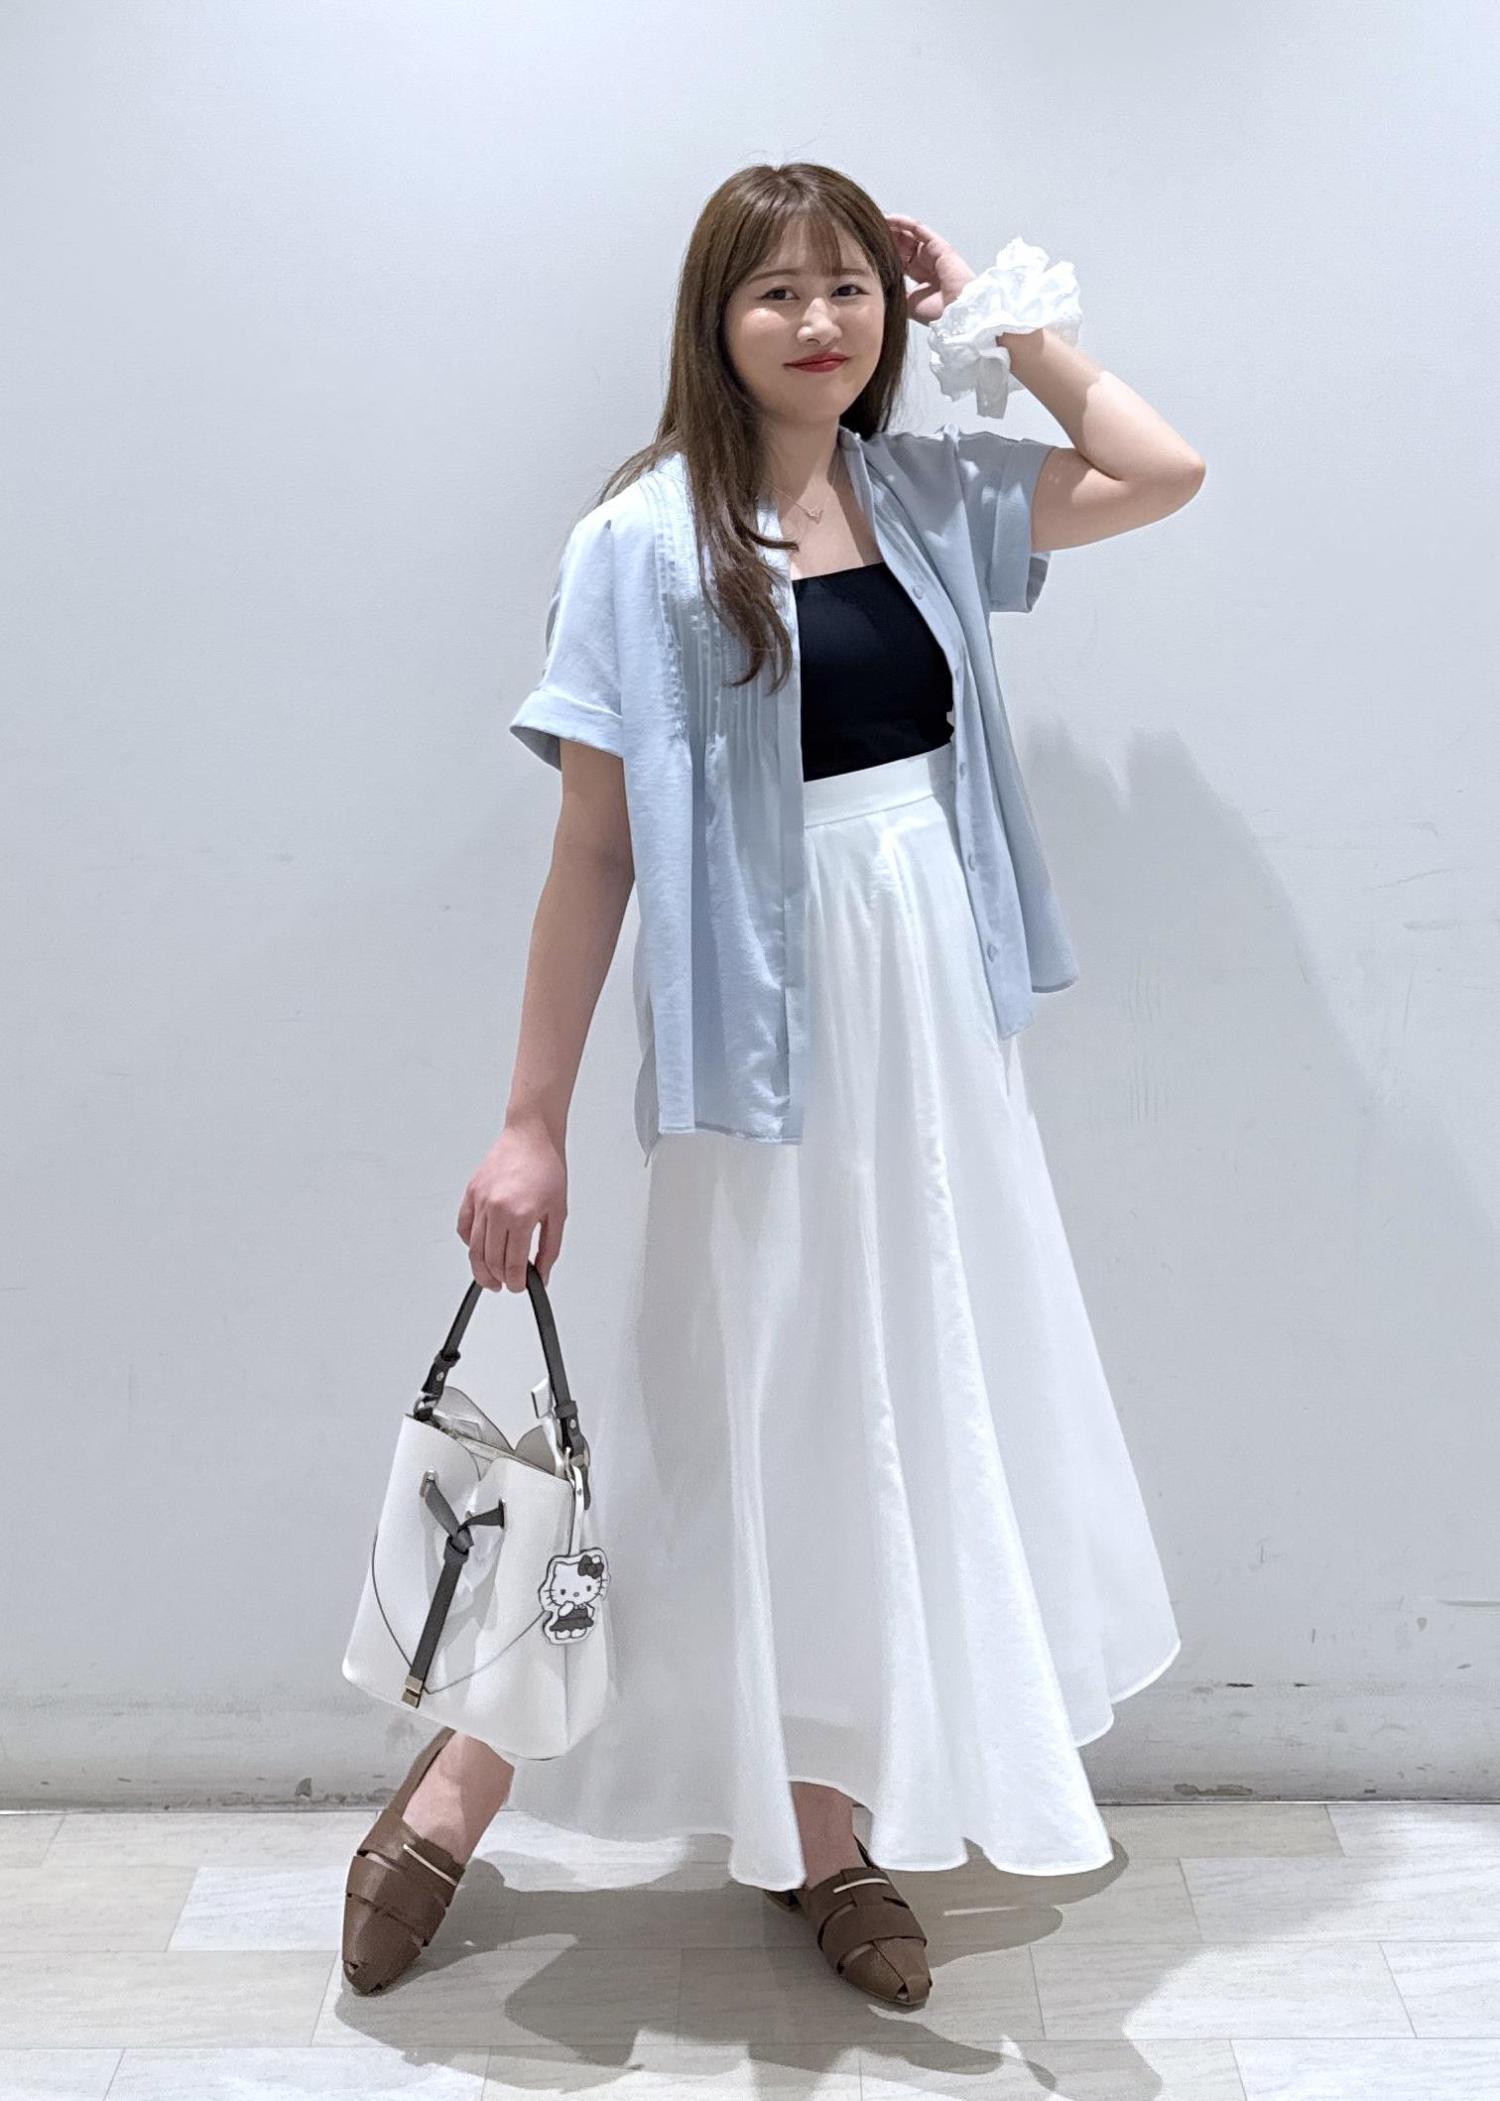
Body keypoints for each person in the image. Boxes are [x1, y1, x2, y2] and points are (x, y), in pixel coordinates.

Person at [342, 161, 1205, 2009]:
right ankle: (467, 1772)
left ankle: (825, 1825)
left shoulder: (925, 496)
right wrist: (531, 1118)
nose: (821, 323)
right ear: (715, 323)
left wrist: (1003, 326)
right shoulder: (641, 544)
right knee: (717, 1407)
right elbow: (594, 856)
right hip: (761, 1036)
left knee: (886, 1401)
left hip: (934, 1032)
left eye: (849, 290)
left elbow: (1160, 468)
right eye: (778, 293)